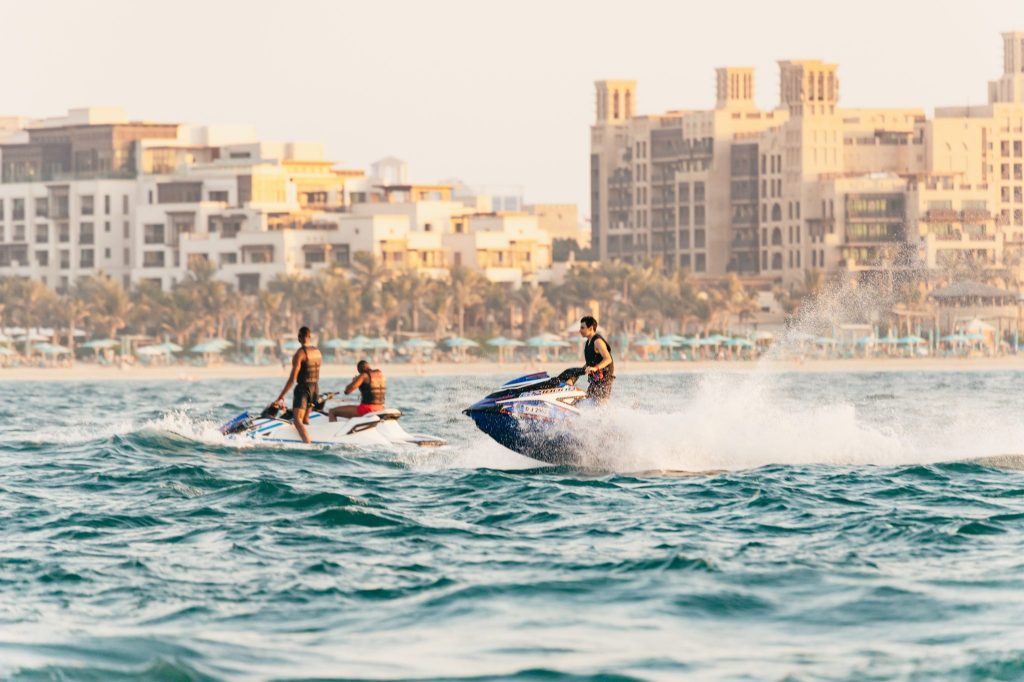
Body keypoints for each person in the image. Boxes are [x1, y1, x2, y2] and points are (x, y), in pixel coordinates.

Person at [273, 326, 322, 444]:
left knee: (297, 420)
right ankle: (312, 438)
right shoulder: (317, 352)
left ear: (299, 338)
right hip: (315, 388)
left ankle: (308, 444)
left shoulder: (300, 354)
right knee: (305, 419)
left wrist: (281, 396)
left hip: (303, 389)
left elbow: (292, 379)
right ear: (310, 337)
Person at [579, 315, 614, 404]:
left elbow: (608, 359)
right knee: (588, 400)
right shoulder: (588, 342)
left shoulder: (597, 341)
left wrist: (595, 368)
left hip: (604, 380)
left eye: (582, 328)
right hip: (595, 380)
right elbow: (590, 362)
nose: (580, 330)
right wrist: (579, 370)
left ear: (590, 328)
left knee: (600, 404)